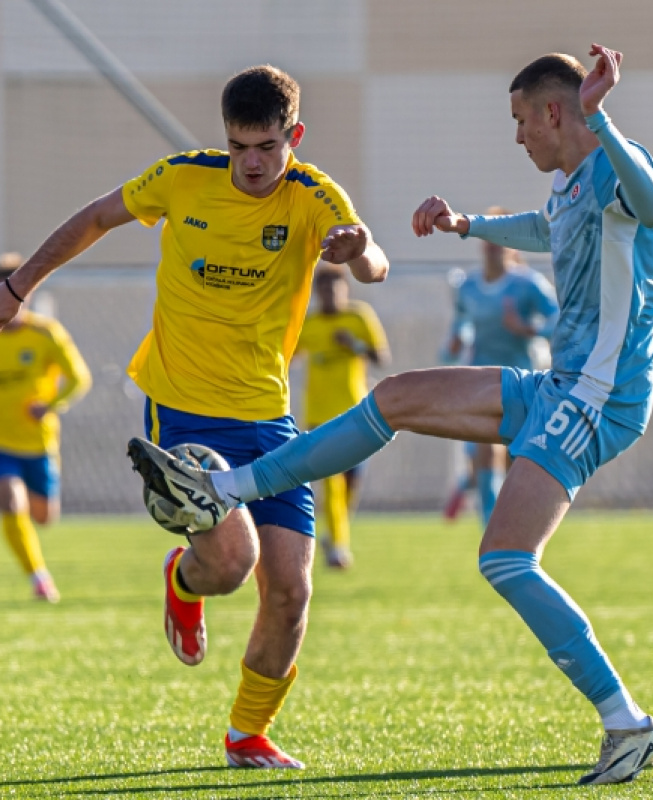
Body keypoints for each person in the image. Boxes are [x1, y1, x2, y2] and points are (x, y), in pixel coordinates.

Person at [128, 44, 653, 784]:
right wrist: (467, 225)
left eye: (521, 121)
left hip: (600, 397)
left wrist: (602, 120)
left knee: (506, 558)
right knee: (397, 398)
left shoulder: (613, 159)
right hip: (561, 386)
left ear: (555, 111)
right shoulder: (574, 183)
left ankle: (627, 724)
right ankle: (229, 490)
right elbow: (547, 231)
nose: (518, 137)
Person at [0, 65, 389, 769]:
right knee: (233, 563)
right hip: (181, 406)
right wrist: (19, 285)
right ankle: (187, 580)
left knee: (293, 591)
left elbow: (374, 265)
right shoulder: (182, 176)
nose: (250, 163)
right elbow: (95, 216)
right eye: (238, 147)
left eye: (265, 147)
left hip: (269, 417)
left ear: (292, 137)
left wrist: (359, 250)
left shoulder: (314, 195)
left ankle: (247, 734)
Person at [441, 209, 558, 526]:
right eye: (489, 239)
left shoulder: (528, 284)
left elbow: (559, 321)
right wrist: (453, 345)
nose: (493, 246)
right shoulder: (468, 287)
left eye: (500, 239)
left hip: (522, 381)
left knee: (514, 463)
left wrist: (527, 329)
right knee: (485, 453)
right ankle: (491, 532)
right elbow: (460, 329)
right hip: (480, 380)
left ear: (512, 246)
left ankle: (505, 521)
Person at [0, 252, 92, 603]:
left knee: (43, 517)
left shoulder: (45, 333)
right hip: (2, 444)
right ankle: (39, 578)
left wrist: (50, 406)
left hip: (38, 443)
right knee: (10, 500)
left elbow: (79, 378)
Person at [294, 262, 390, 568]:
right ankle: (338, 548)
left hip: (356, 414)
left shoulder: (358, 317)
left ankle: (336, 531)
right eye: (323, 291)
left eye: (335, 289)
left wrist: (354, 345)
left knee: (351, 485)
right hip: (320, 416)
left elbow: (381, 358)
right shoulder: (308, 325)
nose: (329, 296)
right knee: (331, 483)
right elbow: (285, 357)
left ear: (345, 290)